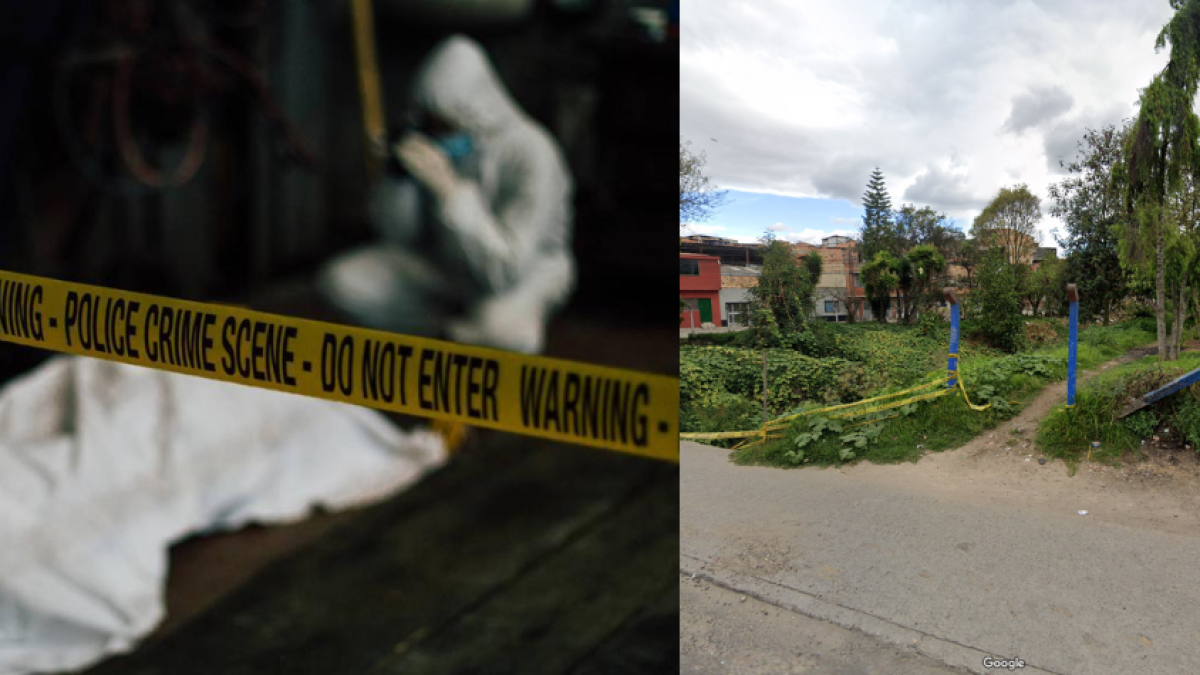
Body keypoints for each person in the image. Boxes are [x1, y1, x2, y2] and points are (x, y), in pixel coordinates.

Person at [317, 34, 574, 355]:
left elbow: (504, 269)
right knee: (343, 282)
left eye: (447, 125)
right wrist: (398, 180)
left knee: (502, 333)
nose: (438, 135)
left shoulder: (531, 152)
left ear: (477, 111)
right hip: (445, 262)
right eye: (431, 124)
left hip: (519, 275)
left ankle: (470, 333)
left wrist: (451, 193)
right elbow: (398, 239)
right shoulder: (433, 141)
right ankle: (451, 335)